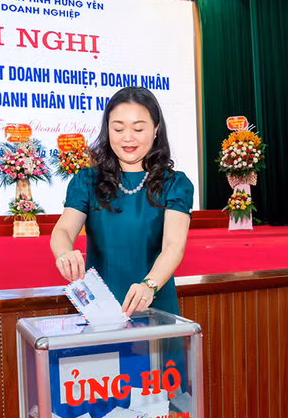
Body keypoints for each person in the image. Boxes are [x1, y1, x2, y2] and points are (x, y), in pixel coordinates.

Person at [50, 86, 193, 317]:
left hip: (154, 302)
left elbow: (173, 246)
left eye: (138, 128)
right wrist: (64, 252)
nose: (127, 137)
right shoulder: (87, 181)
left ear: (156, 129)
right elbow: (64, 230)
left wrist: (150, 285)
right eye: (118, 128)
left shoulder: (174, 184)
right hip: (101, 309)